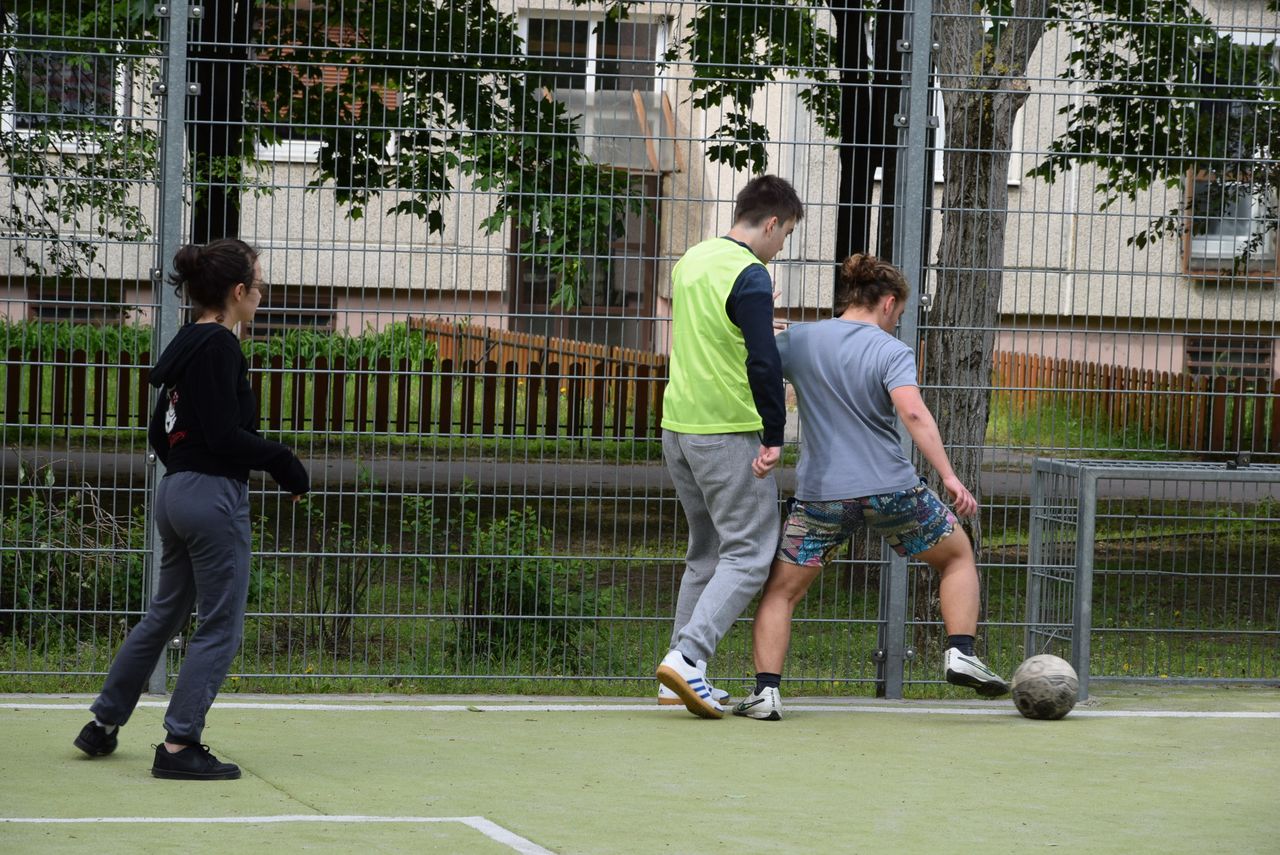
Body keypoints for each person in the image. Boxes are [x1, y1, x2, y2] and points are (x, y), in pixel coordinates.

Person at [732, 254, 1008, 722]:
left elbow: (755, 363)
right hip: (891, 490)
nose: (896, 321)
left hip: (821, 498)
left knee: (780, 593)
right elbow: (913, 413)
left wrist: (761, 326)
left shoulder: (798, 341)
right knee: (957, 556)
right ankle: (961, 651)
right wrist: (949, 476)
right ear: (887, 302)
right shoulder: (890, 350)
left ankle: (766, 694)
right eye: (898, 313)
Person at [73, 239, 310, 778]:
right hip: (211, 499)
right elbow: (226, 436)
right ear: (238, 291)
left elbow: (161, 432)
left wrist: (188, 467)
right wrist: (285, 463)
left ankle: (102, 723)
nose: (263, 291)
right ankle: (180, 745)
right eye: (259, 283)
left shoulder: (188, 341)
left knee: (165, 614)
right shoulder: (222, 347)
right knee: (220, 624)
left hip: (175, 493)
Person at [655, 175, 803, 719]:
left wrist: (758, 316)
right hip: (727, 430)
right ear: (771, 224)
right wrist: (774, 434)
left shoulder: (691, 261)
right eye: (786, 235)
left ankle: (676, 679)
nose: (781, 247)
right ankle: (688, 656)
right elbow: (763, 362)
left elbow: (716, 332)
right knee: (750, 551)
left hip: (678, 427)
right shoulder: (751, 274)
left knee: (708, 551)